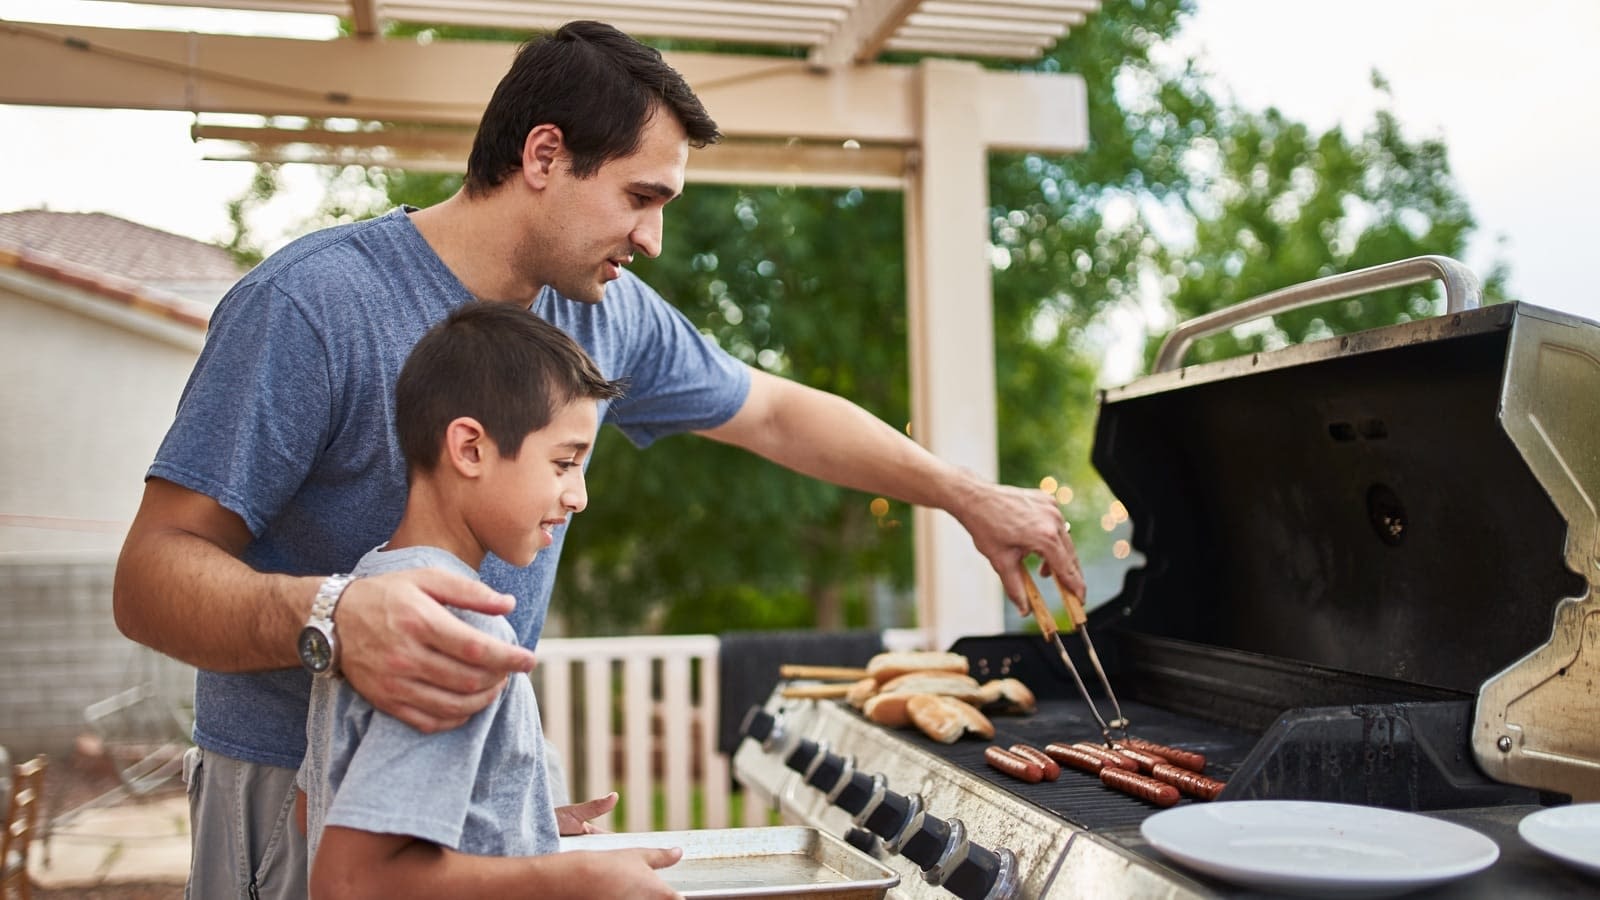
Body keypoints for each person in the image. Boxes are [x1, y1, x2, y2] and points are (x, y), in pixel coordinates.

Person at [113, 19, 1083, 900]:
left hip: (455, 804)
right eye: (640, 197)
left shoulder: (600, 314)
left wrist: (966, 498)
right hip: (289, 790)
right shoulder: (313, 306)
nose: (652, 237)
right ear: (545, 155)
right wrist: (334, 617)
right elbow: (150, 577)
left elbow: (778, 415)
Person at [301, 301, 679, 898]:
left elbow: (317, 807)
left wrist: (516, 825)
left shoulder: (375, 587)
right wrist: (571, 878)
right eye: (564, 463)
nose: (578, 496)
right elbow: (351, 880)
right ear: (470, 449)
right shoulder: (455, 623)